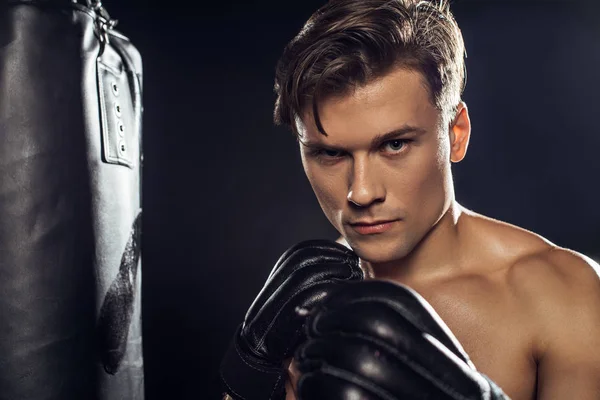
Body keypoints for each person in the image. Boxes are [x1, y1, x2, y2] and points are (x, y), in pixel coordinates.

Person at [220, 1, 600, 399]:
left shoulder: (560, 293)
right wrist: (250, 369)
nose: (362, 192)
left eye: (395, 144)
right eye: (331, 154)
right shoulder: (298, 307)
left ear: (456, 134)